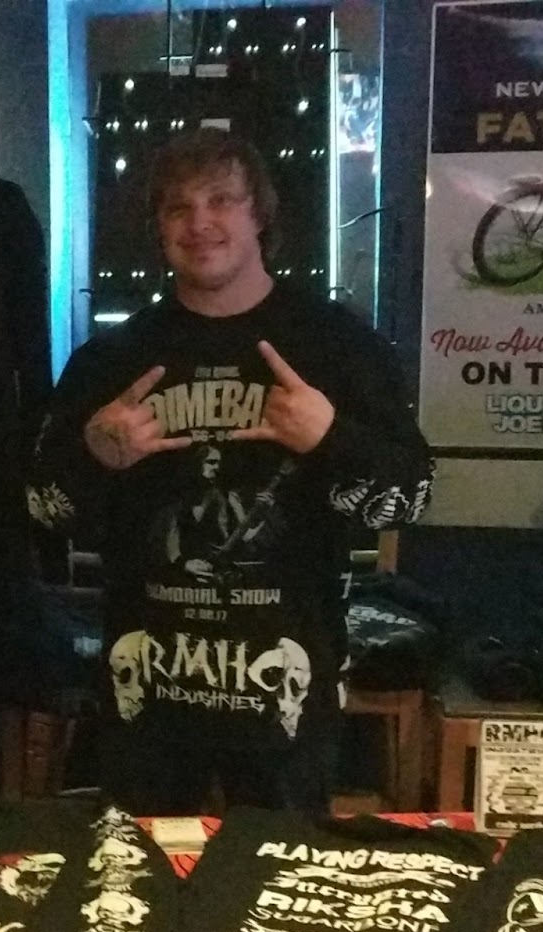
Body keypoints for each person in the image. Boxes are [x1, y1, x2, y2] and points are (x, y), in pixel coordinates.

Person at [27, 129, 435, 814]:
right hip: (149, 694)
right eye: (178, 207)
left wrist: (332, 437)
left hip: (284, 691)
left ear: (259, 214)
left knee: (276, 874)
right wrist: (93, 456)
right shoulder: (111, 360)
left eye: (221, 200)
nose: (200, 223)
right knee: (141, 876)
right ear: (158, 226)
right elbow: (43, 507)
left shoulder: (337, 346)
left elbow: (410, 498)